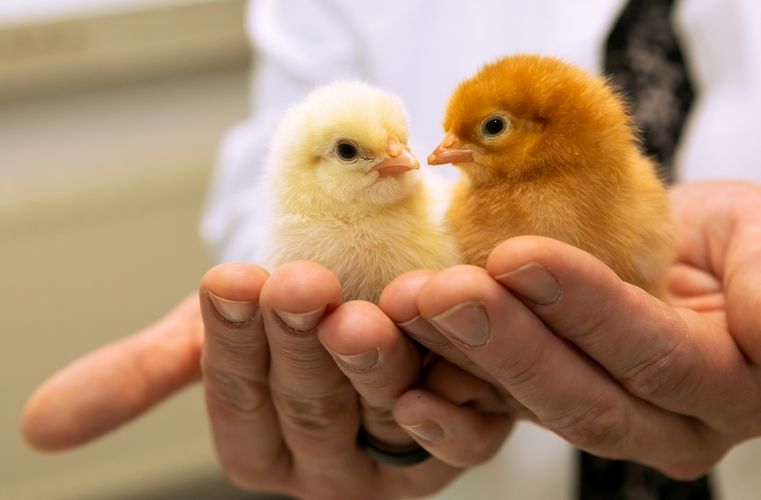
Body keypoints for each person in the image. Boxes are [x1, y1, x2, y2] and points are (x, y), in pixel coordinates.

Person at [22, 1, 761, 498]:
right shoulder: (450, 198)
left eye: (485, 134)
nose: (434, 155)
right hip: (478, 440)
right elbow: (280, 177)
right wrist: (332, 374)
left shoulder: (598, 183)